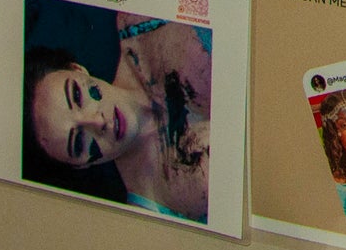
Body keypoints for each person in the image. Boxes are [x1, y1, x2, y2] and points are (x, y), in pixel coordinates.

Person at [24, 12, 211, 221]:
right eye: (78, 142)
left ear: (77, 69)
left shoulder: (142, 22)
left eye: (77, 95)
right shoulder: (148, 216)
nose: (98, 121)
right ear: (81, 164)